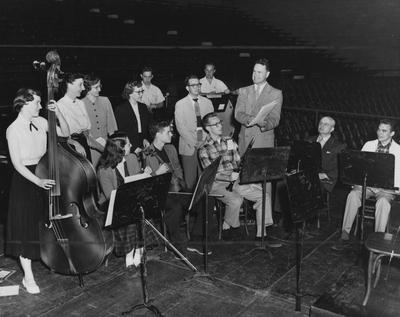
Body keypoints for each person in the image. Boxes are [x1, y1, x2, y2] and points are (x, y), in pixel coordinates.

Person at [6, 88, 70, 294]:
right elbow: (17, 165)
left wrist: (58, 113)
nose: (41, 106)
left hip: (44, 172)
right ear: (23, 104)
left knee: (44, 223)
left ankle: (51, 258)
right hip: (27, 179)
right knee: (26, 228)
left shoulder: (42, 122)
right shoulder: (13, 129)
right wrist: (38, 181)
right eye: (37, 103)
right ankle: (29, 277)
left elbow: (66, 133)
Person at [198, 112, 282, 247]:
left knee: (263, 195)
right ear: (208, 128)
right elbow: (210, 174)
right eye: (215, 124)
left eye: (220, 122)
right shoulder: (204, 149)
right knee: (236, 199)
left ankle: (262, 234)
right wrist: (228, 176)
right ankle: (230, 228)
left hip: (236, 180)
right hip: (216, 183)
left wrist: (247, 178)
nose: (220, 126)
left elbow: (238, 163)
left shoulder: (229, 141)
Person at [338, 119, 400, 243]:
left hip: (386, 189)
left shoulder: (398, 150)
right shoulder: (368, 145)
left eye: (384, 131)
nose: (380, 133)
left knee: (383, 202)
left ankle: (378, 238)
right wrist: (357, 182)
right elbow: (360, 167)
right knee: (353, 195)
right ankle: (345, 232)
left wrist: (394, 189)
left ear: (392, 134)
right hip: (367, 185)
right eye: (379, 129)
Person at [97, 132, 151, 269]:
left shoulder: (132, 158)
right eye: (128, 144)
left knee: (144, 210)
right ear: (119, 148)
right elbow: (110, 196)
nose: (131, 145)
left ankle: (139, 251)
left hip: (130, 199)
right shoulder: (104, 169)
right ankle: (129, 253)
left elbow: (137, 180)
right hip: (111, 203)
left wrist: (145, 175)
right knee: (131, 216)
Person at [144, 121, 192, 255]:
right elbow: (147, 182)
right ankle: (178, 246)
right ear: (158, 135)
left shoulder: (170, 148)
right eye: (168, 132)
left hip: (175, 187)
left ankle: (194, 236)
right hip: (159, 192)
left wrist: (180, 182)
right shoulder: (147, 153)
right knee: (175, 208)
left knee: (196, 197)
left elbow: (177, 168)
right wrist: (157, 173)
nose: (171, 134)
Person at [234, 58, 282, 155]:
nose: (255, 75)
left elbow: (275, 118)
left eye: (259, 72)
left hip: (263, 142)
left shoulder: (276, 93)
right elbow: (238, 114)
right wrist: (249, 119)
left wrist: (264, 123)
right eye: (254, 71)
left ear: (267, 74)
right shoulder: (243, 91)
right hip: (244, 141)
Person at [174, 75, 214, 190]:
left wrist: (204, 141)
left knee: (205, 180)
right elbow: (180, 127)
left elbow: (211, 124)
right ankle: (190, 207)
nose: (197, 87)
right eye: (193, 85)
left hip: (205, 145)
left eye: (198, 84)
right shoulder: (180, 104)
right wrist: (195, 142)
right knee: (190, 182)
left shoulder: (208, 102)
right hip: (189, 146)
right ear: (187, 88)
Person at [57, 73, 95, 161]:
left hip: (83, 143)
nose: (83, 88)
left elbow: (86, 127)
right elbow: (59, 136)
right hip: (70, 146)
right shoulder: (59, 106)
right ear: (69, 85)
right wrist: (76, 144)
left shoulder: (81, 103)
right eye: (80, 85)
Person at [82, 74, 118, 167]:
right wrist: (95, 142)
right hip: (91, 149)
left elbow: (112, 127)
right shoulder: (80, 104)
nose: (100, 89)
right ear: (88, 88)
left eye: (100, 86)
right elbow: (82, 131)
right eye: (96, 87)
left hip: (108, 147)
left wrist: (112, 146)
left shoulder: (105, 101)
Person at [307, 116, 346, 193]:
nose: (321, 126)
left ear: (332, 129)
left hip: (326, 180)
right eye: (320, 123)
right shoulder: (309, 141)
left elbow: (341, 168)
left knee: (310, 188)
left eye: (326, 124)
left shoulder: (338, 146)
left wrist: (326, 175)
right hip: (307, 175)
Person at [114, 80, 151, 156]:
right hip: (129, 144)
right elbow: (121, 131)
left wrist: (145, 139)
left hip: (142, 142)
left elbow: (146, 127)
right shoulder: (121, 109)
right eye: (138, 92)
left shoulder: (143, 107)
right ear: (129, 93)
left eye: (142, 91)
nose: (141, 94)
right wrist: (133, 146)